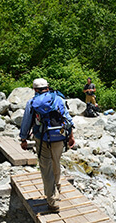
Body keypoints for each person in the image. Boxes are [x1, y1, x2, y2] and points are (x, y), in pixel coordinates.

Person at [19, 78, 75, 212]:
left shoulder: (32, 102)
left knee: (46, 168)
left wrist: (23, 139)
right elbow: (68, 119)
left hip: (42, 138)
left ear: (34, 89)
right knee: (56, 161)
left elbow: (26, 122)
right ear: (48, 87)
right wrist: (71, 136)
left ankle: (52, 201)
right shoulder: (59, 99)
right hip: (59, 137)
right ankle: (58, 186)